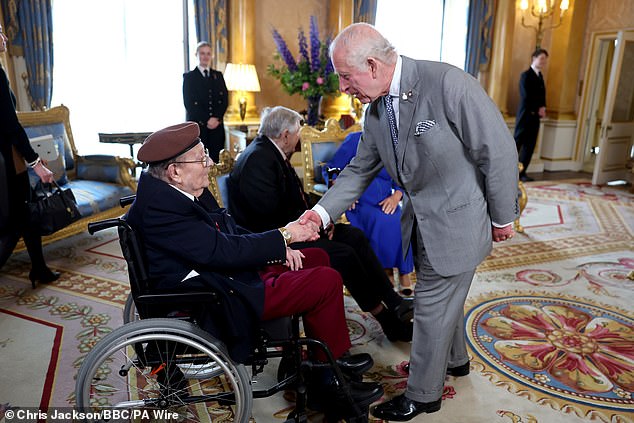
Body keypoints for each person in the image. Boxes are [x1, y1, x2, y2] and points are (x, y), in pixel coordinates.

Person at [299, 23, 519, 420]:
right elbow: (358, 170)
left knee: (432, 304)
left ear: (371, 64)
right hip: (418, 223)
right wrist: (319, 213)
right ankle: (456, 362)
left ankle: (423, 394)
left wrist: (503, 215)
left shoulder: (448, 83)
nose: (343, 88)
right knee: (445, 296)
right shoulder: (376, 110)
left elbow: (498, 150)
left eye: (346, 77)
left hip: (459, 220)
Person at [125, 122, 383, 412]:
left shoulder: (178, 191)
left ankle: (322, 360)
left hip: (223, 273)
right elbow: (221, 250)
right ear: (175, 171)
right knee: (326, 280)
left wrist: (278, 246)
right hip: (215, 295)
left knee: (318, 258)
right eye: (201, 158)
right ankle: (326, 383)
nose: (209, 163)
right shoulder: (164, 210)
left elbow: (229, 229)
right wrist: (283, 236)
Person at [227, 106, 414, 343]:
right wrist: (312, 228)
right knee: (344, 254)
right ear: (285, 135)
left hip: (294, 229)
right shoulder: (258, 160)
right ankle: (385, 318)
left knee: (354, 236)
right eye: (297, 133)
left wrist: (323, 219)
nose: (299, 139)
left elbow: (297, 200)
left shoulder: (269, 153)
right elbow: (267, 219)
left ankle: (394, 302)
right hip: (274, 244)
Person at [0, 24, 58, 287]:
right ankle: (39, 269)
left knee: (25, 216)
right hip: (8, 164)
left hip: (7, 162)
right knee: (14, 223)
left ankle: (39, 268)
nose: (4, 37)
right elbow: (11, 126)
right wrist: (36, 163)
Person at [324, 131, 414, 296]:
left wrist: (397, 195)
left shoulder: (394, 141)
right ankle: (385, 271)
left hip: (386, 198)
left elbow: (403, 175)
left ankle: (404, 272)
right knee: (382, 221)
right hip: (360, 200)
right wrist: (342, 192)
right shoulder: (354, 139)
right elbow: (332, 169)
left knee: (402, 218)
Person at [183, 41, 228, 162]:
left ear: (212, 56)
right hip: (198, 128)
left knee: (215, 162)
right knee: (198, 162)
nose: (205, 56)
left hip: (216, 129)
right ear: (196, 55)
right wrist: (207, 120)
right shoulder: (189, 77)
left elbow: (224, 100)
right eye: (202, 53)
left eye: (208, 53)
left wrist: (217, 118)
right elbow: (189, 103)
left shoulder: (218, 76)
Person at [515, 48, 548, 182]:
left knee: (530, 146)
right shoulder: (526, 75)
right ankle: (508, 171)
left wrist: (543, 107)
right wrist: (537, 108)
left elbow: (542, 95)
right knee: (517, 143)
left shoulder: (540, 76)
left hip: (535, 118)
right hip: (525, 116)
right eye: (541, 58)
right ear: (533, 59)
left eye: (545, 59)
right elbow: (525, 96)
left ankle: (521, 173)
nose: (543, 61)